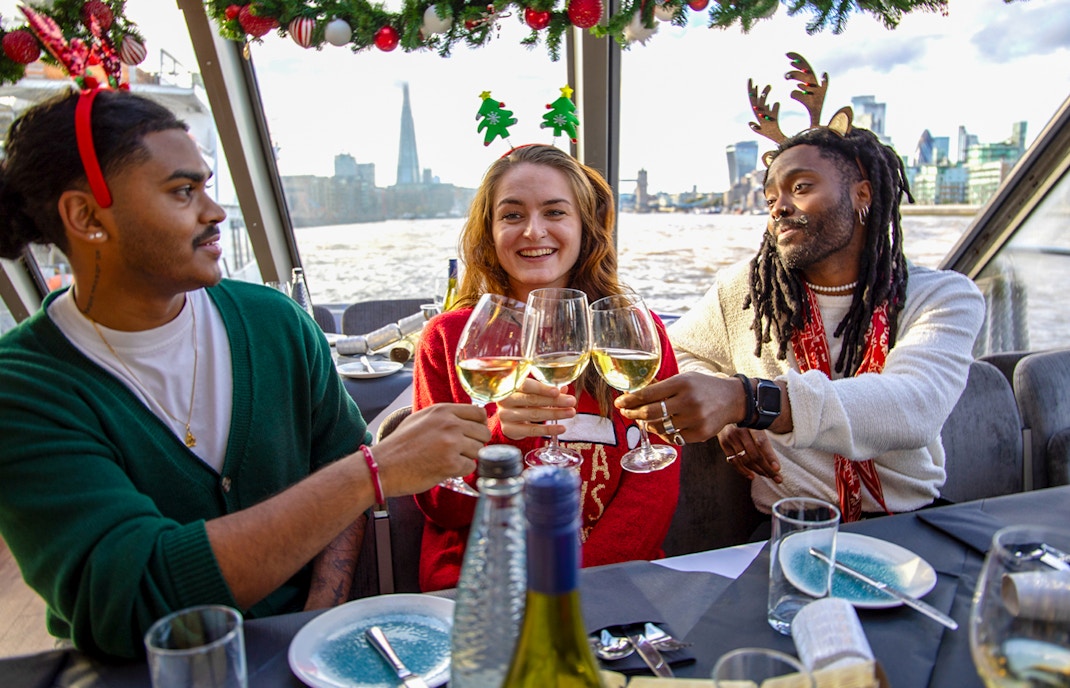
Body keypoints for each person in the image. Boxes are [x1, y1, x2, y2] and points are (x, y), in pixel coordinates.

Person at [0, 88, 490, 659]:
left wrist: (313, 628)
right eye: (183, 191)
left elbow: (335, 460)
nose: (214, 213)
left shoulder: (275, 323)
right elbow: (134, 601)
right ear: (86, 216)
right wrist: (372, 472)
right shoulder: (26, 388)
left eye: (207, 186)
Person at [616, 82, 985, 523]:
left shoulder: (942, 296)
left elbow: (914, 404)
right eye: (771, 199)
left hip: (909, 523)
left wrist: (750, 401)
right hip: (789, 526)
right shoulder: (744, 292)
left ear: (862, 194)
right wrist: (726, 413)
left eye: (801, 187)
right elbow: (679, 352)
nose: (779, 208)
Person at [412, 144, 680, 591]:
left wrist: (577, 589)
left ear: (585, 227)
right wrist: (501, 436)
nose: (534, 232)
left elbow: (654, 487)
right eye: (512, 216)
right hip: (484, 588)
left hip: (613, 581)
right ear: (489, 231)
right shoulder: (447, 339)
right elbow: (443, 505)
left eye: (555, 212)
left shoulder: (636, 333)